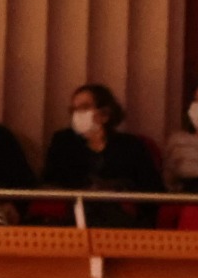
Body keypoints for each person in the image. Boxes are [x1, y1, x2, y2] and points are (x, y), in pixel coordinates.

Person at [42, 82, 163, 227]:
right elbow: (51, 180)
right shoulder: (63, 141)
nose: (77, 114)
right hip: (75, 211)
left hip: (121, 216)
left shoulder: (130, 145)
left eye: (84, 108)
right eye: (74, 109)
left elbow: (152, 188)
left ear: (105, 114)